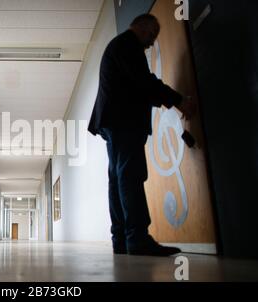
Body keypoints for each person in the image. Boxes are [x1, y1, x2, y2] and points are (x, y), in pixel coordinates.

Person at [88, 14, 197, 256]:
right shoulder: (127, 44)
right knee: (130, 174)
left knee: (118, 178)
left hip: (115, 121)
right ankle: (136, 238)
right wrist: (178, 100)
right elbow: (144, 83)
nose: (150, 42)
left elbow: (139, 84)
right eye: (151, 35)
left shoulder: (119, 45)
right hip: (123, 120)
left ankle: (122, 239)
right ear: (142, 25)